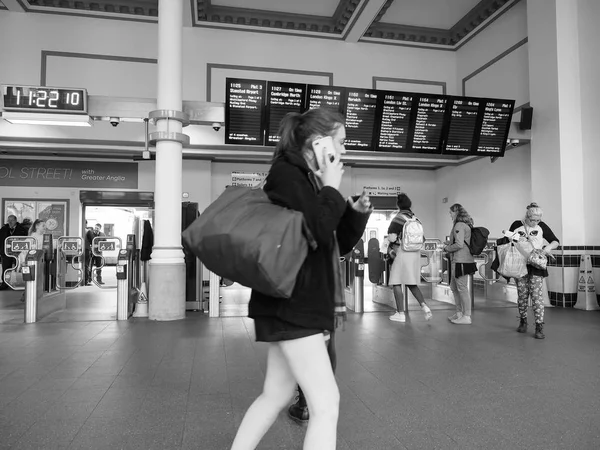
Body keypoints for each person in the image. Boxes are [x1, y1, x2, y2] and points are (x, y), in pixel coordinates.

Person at [231, 108, 372, 450]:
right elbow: (316, 230)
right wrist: (332, 188)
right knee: (326, 404)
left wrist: (354, 214)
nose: (345, 151)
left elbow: (331, 242)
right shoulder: (287, 174)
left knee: (275, 395)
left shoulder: (307, 178)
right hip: (294, 306)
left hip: (292, 306)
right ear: (318, 143)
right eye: (340, 142)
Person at [507, 202, 559, 339]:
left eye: (538, 220)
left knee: (537, 297)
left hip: (536, 266)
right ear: (527, 216)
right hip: (520, 266)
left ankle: (539, 326)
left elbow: (555, 241)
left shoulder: (541, 226)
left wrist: (546, 249)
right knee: (522, 296)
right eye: (532, 220)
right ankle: (523, 321)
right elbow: (510, 241)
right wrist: (514, 238)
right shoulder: (516, 225)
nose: (535, 222)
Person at [386, 193, 432, 323]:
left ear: (398, 204)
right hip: (415, 253)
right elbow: (423, 238)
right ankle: (425, 307)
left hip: (402, 252)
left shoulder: (398, 218)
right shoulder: (416, 219)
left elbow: (392, 238)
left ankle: (400, 313)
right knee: (411, 283)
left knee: (396, 282)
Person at [443, 204, 477, 325]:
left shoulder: (459, 225)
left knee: (462, 288)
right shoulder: (463, 225)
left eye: (451, 212)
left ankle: (466, 316)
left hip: (461, 261)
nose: (450, 215)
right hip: (457, 260)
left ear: (456, 212)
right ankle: (459, 313)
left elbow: (459, 244)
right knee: (454, 287)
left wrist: (447, 248)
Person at [0, 215, 28, 290]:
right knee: (5, 268)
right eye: (8, 220)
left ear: (15, 220)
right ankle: (4, 283)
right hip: (6, 252)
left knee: (20, 267)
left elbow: (25, 240)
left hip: (18, 252)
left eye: (12, 220)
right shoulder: (4, 229)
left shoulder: (22, 229)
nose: (10, 222)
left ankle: (23, 283)